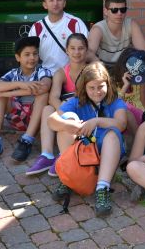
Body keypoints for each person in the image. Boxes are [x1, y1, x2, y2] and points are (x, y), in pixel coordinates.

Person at [48, 62, 128, 217]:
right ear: (84, 87)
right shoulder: (76, 101)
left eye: (101, 86)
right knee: (64, 128)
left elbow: (122, 124)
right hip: (82, 150)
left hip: (106, 152)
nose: (97, 92)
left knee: (112, 135)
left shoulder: (115, 102)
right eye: (92, 87)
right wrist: (68, 124)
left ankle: (102, 188)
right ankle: (68, 178)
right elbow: (51, 120)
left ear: (108, 84)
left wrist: (97, 121)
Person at [26, 33, 88, 176]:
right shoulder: (61, 72)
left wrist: (66, 111)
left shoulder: (91, 70)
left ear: (86, 50)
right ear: (67, 50)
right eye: (72, 48)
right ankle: (47, 154)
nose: (76, 52)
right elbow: (53, 97)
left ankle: (63, 154)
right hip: (67, 109)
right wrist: (64, 112)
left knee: (66, 114)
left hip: (84, 109)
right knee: (48, 109)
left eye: (80, 48)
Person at [0, 36, 52, 165]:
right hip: (17, 118)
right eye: (27, 54)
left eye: (35, 54)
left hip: (36, 119)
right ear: (17, 57)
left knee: (43, 95)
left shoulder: (42, 71)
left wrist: (10, 92)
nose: (32, 58)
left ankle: (27, 140)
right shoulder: (13, 73)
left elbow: (44, 87)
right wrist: (20, 84)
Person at [28, 0, 89, 73]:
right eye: (51, 0)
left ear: (64, 3)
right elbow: (30, 54)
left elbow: (87, 50)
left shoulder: (75, 23)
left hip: (71, 73)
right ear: (45, 5)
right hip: (45, 74)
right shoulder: (37, 27)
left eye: (59, 0)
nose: (55, 3)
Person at [88, 0, 145, 67]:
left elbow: (143, 53)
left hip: (124, 68)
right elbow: (89, 54)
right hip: (102, 68)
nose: (119, 13)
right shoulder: (98, 29)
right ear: (105, 11)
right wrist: (99, 65)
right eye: (114, 10)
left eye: (123, 10)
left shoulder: (131, 25)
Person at [111, 48, 145, 138]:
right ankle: (138, 139)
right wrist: (125, 86)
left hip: (140, 114)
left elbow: (143, 101)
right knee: (126, 109)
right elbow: (115, 104)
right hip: (124, 117)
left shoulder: (139, 79)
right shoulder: (113, 81)